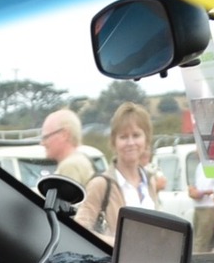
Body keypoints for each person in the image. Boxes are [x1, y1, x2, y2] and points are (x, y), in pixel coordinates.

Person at [74, 101, 165, 242]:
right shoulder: (101, 184)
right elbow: (79, 231)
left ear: (146, 139)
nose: (130, 143)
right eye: (123, 137)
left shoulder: (149, 181)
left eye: (136, 135)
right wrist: (115, 243)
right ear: (113, 141)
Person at [41, 108, 93, 188]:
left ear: (64, 135)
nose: (42, 143)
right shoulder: (81, 160)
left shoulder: (70, 166)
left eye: (46, 137)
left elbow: (68, 200)